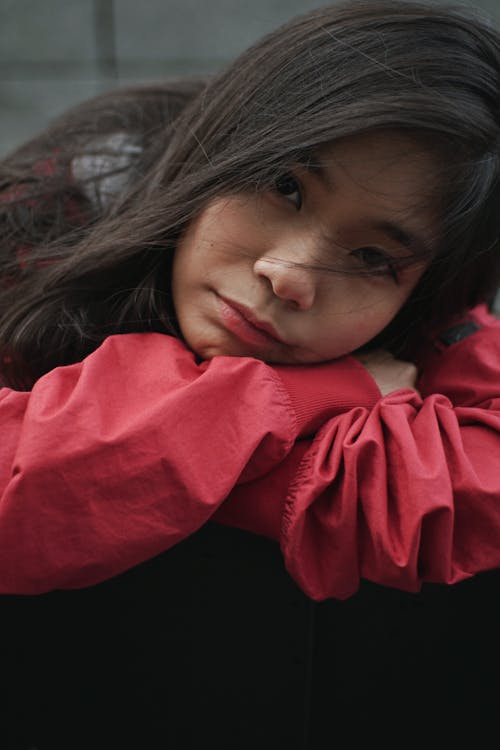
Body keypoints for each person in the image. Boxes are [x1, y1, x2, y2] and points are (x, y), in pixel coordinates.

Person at [0, 0, 499, 746]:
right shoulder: (46, 217)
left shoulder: (431, 327)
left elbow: (465, 491)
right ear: (223, 147)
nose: (287, 273)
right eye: (284, 186)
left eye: (372, 259)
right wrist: (304, 394)